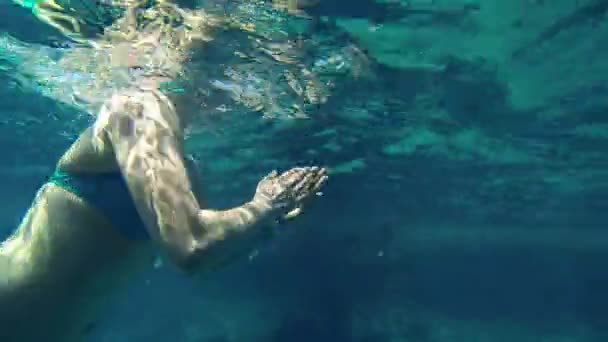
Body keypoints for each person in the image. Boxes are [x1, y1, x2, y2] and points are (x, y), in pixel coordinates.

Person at [0, 1, 328, 340]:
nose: (241, 90)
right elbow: (192, 247)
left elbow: (207, 257)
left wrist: (268, 224)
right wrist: (264, 207)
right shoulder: (137, 109)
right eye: (236, 66)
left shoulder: (182, 161)